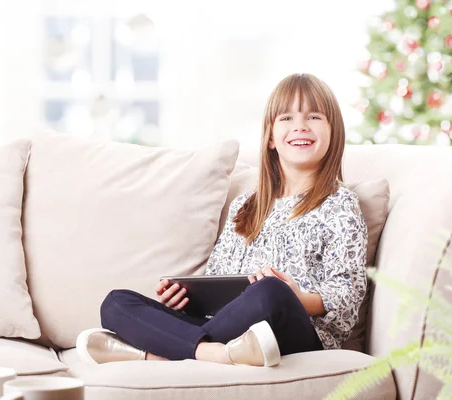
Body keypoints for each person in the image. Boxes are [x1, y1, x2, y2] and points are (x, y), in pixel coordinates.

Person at [75, 73, 368, 367]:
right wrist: (188, 298)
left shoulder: (340, 205)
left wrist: (299, 297)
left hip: (293, 329)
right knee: (117, 303)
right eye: (287, 118)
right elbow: (218, 281)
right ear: (269, 137)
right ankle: (216, 354)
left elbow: (348, 296)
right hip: (226, 326)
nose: (300, 126)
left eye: (314, 117)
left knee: (269, 292)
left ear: (333, 131)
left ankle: (162, 353)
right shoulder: (245, 206)